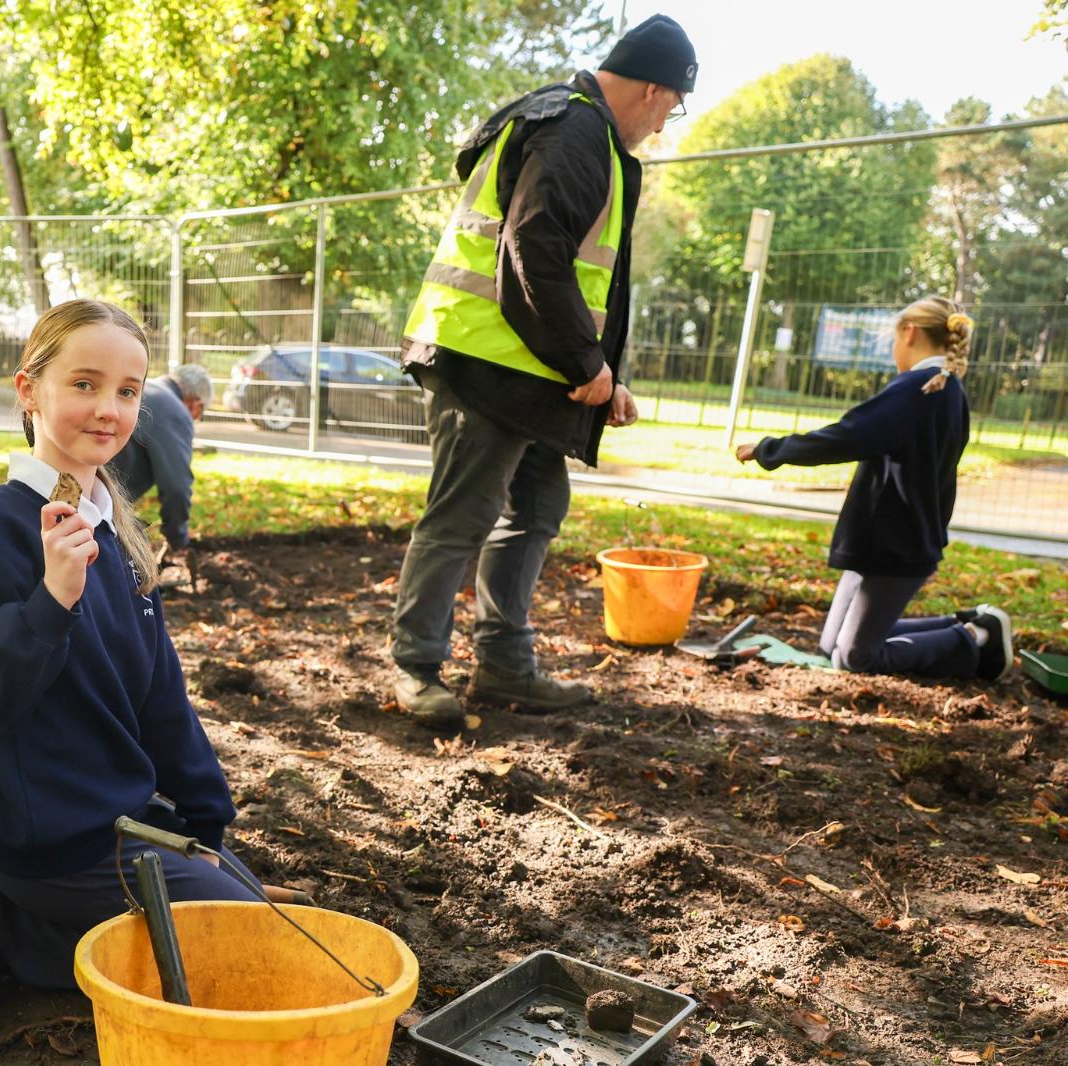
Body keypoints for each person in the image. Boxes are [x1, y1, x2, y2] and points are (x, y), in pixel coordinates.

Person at [0, 299, 258, 1011]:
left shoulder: (117, 536)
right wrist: (51, 600)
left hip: (119, 819)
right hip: (50, 840)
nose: (108, 409)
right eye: (85, 384)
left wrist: (205, 820)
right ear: (29, 391)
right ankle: (10, 920)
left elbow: (161, 699)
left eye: (127, 391)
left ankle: (32, 933)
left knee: (252, 910)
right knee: (249, 947)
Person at [390, 15, 698, 728]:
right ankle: (416, 666)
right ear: (653, 91)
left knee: (532, 508)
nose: (662, 126)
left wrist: (600, 373)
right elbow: (532, 247)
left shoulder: (573, 125)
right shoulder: (575, 130)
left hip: (518, 363)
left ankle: (504, 664)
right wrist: (585, 363)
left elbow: (562, 267)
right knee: (462, 514)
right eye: (672, 109)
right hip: (483, 358)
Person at [736, 297, 1011, 681]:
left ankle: (974, 638)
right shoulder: (947, 390)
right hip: (889, 541)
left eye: (894, 339)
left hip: (895, 547)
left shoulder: (917, 390)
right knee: (831, 648)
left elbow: (846, 437)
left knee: (854, 659)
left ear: (910, 333)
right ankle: (965, 624)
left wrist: (770, 450)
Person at [107, 362, 211, 559]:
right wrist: (178, 539)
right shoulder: (174, 411)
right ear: (196, 406)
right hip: (97, 504)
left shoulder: (145, 389)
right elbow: (176, 487)